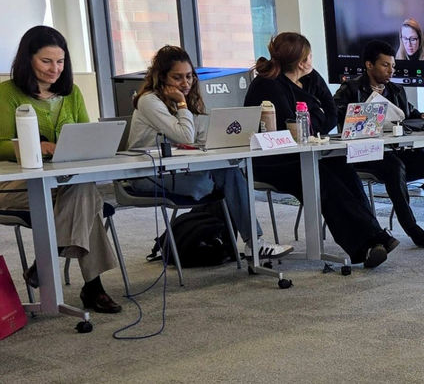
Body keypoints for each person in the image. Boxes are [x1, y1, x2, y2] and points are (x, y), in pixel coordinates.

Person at [243, 32, 400, 269]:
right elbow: (292, 128)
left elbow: (331, 118)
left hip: (304, 154)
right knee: (323, 180)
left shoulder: (310, 78)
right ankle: (367, 243)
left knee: (341, 167)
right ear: (300, 60)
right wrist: (316, 115)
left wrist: (314, 116)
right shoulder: (268, 84)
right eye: (308, 56)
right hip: (272, 161)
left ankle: (373, 239)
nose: (311, 61)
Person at [125, 46, 293, 260]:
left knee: (230, 172)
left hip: (179, 168)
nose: (185, 83)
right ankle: (254, 242)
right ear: (161, 78)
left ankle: (255, 243)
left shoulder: (184, 97)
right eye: (177, 78)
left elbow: (198, 136)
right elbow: (185, 136)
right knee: (220, 179)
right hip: (148, 174)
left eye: (189, 77)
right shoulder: (149, 100)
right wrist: (182, 104)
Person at [0, 26, 121, 313]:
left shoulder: (72, 93)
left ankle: (47, 258)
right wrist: (38, 147)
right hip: (16, 187)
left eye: (61, 62)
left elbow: (85, 134)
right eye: (46, 61)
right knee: (87, 199)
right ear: (28, 60)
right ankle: (93, 288)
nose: (55, 69)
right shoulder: (7, 94)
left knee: (82, 190)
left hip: (62, 184)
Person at [333, 40, 424, 249]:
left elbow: (408, 114)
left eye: (393, 66)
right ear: (369, 65)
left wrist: (421, 116)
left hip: (396, 150)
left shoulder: (396, 91)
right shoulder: (351, 89)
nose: (391, 70)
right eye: (385, 65)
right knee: (395, 167)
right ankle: (411, 227)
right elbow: (335, 114)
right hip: (365, 154)